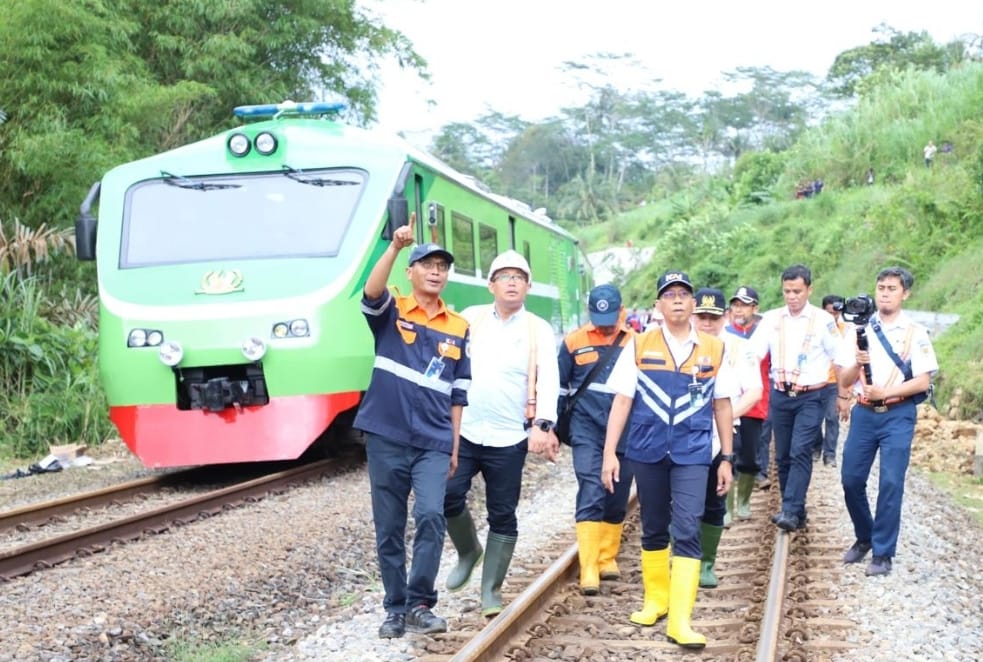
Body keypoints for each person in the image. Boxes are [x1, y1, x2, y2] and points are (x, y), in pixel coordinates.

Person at [601, 270, 737, 649]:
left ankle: (681, 619)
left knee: (688, 526)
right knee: (654, 526)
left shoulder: (713, 348)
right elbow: (622, 400)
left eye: (683, 294)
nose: (677, 300)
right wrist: (610, 452)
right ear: (658, 305)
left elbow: (722, 404)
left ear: (693, 304)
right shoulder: (639, 345)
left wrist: (726, 457)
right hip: (647, 449)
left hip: (694, 452)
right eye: (669, 294)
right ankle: (655, 600)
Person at [353, 215, 472, 639]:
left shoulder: (458, 327)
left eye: (442, 266)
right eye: (428, 265)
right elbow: (370, 292)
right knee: (388, 527)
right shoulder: (393, 309)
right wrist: (395, 246)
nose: (436, 272)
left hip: (434, 441)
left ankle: (420, 603)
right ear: (411, 272)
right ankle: (394, 608)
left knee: (430, 516)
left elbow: (459, 393)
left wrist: (455, 445)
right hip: (386, 436)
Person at [443, 249, 560, 618]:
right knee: (446, 495)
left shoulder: (537, 328)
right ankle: (468, 551)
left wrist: (542, 425)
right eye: (505, 276)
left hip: (509, 436)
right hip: (466, 431)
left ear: (527, 286)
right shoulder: (469, 319)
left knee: (503, 513)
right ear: (491, 285)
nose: (512, 282)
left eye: (520, 277)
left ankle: (490, 590)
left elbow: (550, 381)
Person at [836, 267, 938, 577]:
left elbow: (922, 382)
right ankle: (865, 535)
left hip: (898, 413)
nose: (884, 292)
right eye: (881, 287)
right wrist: (858, 361)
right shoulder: (858, 329)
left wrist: (887, 392)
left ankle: (882, 553)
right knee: (851, 479)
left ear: (904, 293)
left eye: (892, 288)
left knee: (891, 483)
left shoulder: (914, 333)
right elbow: (844, 379)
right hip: (864, 413)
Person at [748, 264, 842, 533]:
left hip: (811, 395)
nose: (792, 297)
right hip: (780, 394)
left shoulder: (823, 320)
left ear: (809, 290)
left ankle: (789, 509)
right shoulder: (772, 320)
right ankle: (798, 511)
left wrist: (844, 393)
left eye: (797, 291)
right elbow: (754, 353)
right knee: (784, 456)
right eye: (787, 291)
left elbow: (839, 356)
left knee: (801, 450)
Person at [557, 284, 634, 595]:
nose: (604, 324)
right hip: (585, 426)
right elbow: (560, 388)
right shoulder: (573, 342)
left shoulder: (635, 343)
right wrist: (549, 427)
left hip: (626, 427)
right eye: (599, 317)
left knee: (618, 489)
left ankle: (606, 556)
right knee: (591, 486)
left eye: (611, 317)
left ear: (622, 311)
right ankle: (588, 565)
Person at [692, 288, 762, 588]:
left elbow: (754, 391)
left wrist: (726, 417)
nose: (707, 323)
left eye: (714, 317)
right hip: (681, 433)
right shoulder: (679, 343)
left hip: (721, 436)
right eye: (702, 317)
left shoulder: (738, 347)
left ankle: (707, 562)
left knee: (714, 498)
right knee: (677, 499)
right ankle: (682, 557)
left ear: (724, 317)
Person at [724, 285, 771, 516]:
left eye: (744, 305)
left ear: (755, 308)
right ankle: (727, 508)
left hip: (755, 405)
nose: (739, 309)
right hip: (729, 402)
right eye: (736, 304)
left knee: (750, 456)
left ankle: (744, 501)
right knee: (729, 452)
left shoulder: (764, 334)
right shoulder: (724, 334)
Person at [812, 294, 846, 467]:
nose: (833, 316)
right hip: (817, 381)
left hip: (835, 382)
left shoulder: (846, 330)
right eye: (830, 312)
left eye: (836, 313)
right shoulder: (815, 328)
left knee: (832, 417)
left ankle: (830, 454)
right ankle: (816, 447)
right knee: (814, 418)